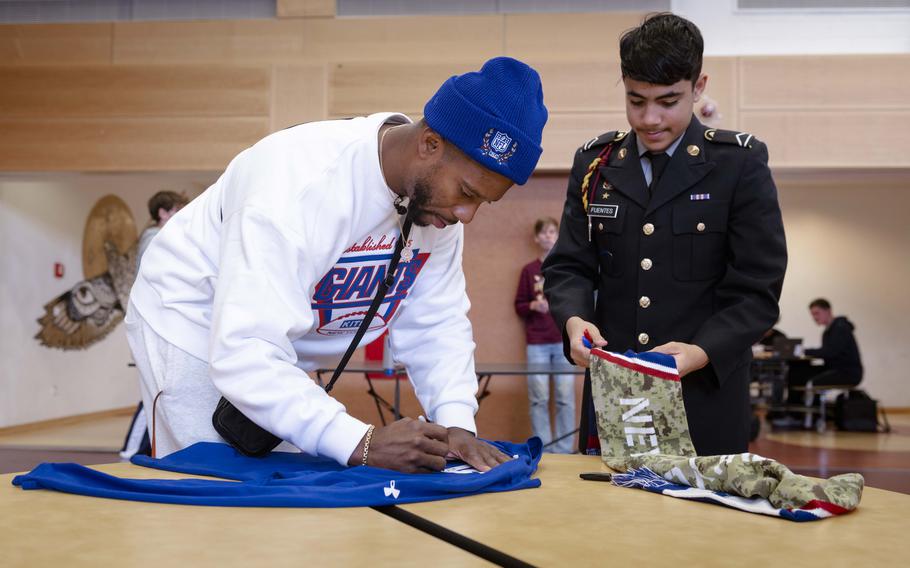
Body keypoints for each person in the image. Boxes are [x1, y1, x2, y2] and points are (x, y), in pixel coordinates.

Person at [125, 57, 549, 473]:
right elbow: (246, 351)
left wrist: (457, 423)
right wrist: (361, 442)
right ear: (429, 144)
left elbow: (436, 324)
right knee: (212, 484)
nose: (466, 215)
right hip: (192, 317)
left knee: (286, 491)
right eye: (467, 192)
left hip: (278, 346)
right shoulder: (297, 183)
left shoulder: (437, 208)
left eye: (482, 203)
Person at [543, 13, 787, 456]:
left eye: (668, 101)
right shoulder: (597, 164)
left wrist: (699, 352)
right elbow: (569, 266)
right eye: (636, 101)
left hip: (703, 397)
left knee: (700, 525)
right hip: (616, 397)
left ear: (698, 87)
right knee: (604, 521)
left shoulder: (737, 165)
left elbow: (757, 290)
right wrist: (574, 319)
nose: (650, 118)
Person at [120, 190, 190, 460]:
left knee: (161, 390)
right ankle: (130, 450)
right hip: (152, 324)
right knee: (152, 391)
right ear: (162, 212)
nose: (179, 216)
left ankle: (150, 447)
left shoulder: (163, 237)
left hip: (162, 322)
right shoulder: (155, 238)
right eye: (175, 210)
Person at [514, 217, 575, 453]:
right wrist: (532, 306)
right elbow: (518, 305)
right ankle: (546, 448)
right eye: (544, 232)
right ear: (537, 238)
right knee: (538, 398)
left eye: (553, 232)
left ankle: (565, 449)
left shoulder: (565, 269)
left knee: (565, 397)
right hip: (537, 343)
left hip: (563, 342)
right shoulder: (529, 271)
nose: (549, 236)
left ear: (558, 236)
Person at [783, 298, 863, 424]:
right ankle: (795, 414)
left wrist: (804, 351)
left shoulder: (840, 327)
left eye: (817, 313)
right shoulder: (829, 330)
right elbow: (827, 353)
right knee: (797, 371)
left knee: (808, 378)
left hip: (847, 372)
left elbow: (829, 351)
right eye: (812, 314)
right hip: (833, 368)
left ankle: (807, 417)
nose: (814, 317)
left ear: (828, 311)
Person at [138, 191, 189, 262]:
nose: (183, 214)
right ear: (163, 213)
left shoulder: (165, 238)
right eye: (178, 210)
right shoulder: (153, 240)